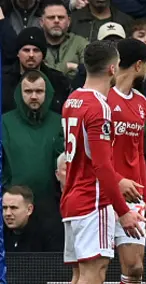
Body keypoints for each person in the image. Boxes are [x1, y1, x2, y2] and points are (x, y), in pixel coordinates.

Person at [59, 40, 145, 284]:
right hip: (92, 199)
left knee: (79, 275)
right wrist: (122, 210)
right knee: (92, 277)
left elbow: (75, 158)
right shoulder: (99, 106)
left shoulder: (72, 101)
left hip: (71, 197)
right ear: (112, 68)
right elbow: (102, 166)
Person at [105, 38, 146, 284]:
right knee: (91, 274)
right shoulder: (101, 98)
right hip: (100, 194)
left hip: (134, 195)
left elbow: (138, 154)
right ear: (137, 65)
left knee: (134, 268)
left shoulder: (141, 103)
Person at [2, 70, 64, 216]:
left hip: (51, 206)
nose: (34, 96)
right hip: (14, 208)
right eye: (28, 91)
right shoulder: (5, 123)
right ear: (19, 93)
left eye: (39, 91)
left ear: (47, 92)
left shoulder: (60, 122)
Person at [2, 26, 71, 114]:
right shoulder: (3, 79)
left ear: (43, 54)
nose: (31, 55)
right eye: (26, 50)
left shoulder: (58, 81)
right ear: (18, 53)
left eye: (36, 50)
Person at [3, 185, 63, 252]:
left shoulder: (48, 233)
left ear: (29, 210)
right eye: (4, 208)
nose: (7, 213)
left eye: (13, 208)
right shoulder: (2, 232)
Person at [41, 0, 89, 80]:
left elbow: (91, 72)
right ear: (41, 22)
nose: (56, 21)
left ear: (69, 22)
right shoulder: (35, 45)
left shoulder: (80, 43)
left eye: (61, 17)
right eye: (51, 17)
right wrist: (70, 67)